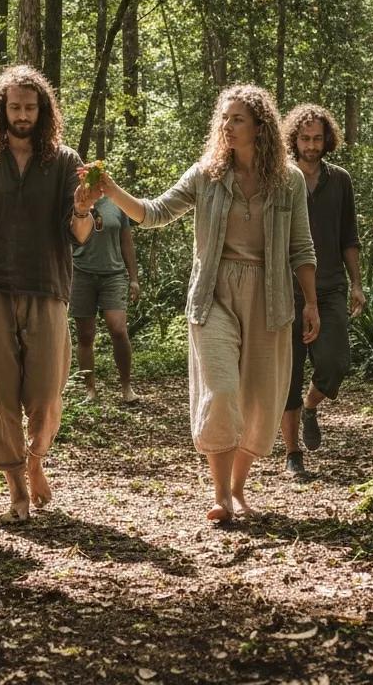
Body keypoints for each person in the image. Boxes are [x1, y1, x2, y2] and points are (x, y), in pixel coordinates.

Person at [90, 84, 318, 523]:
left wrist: (311, 302)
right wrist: (112, 189)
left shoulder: (288, 180)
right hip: (212, 293)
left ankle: (238, 488)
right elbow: (153, 212)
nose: (227, 126)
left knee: (258, 399)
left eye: (237, 119)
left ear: (260, 127)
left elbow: (302, 247)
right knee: (221, 389)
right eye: (224, 118)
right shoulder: (206, 174)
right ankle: (220, 495)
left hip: (269, 297)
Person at [0, 65, 100, 525]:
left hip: (47, 286)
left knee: (46, 393)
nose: (22, 115)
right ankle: (16, 483)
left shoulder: (63, 161)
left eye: (30, 107)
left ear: (43, 110)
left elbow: (79, 236)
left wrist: (81, 209)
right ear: (1, 109)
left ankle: (36, 456)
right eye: (14, 107)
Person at [279, 104, 364, 478]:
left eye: (317, 138)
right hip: (285, 288)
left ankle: (312, 406)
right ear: (293, 138)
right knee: (289, 374)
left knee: (335, 362)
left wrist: (357, 283)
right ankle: (292, 453)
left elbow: (350, 236)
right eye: (305, 138)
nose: (311, 145)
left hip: (330, 286)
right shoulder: (279, 177)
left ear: (327, 139)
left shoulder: (340, 179)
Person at [70, 195, 141, 404]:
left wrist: (134, 279)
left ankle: (127, 387)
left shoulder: (117, 204)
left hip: (113, 274)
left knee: (118, 329)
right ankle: (90, 390)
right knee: (85, 335)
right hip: (80, 274)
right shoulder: (74, 202)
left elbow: (126, 242)